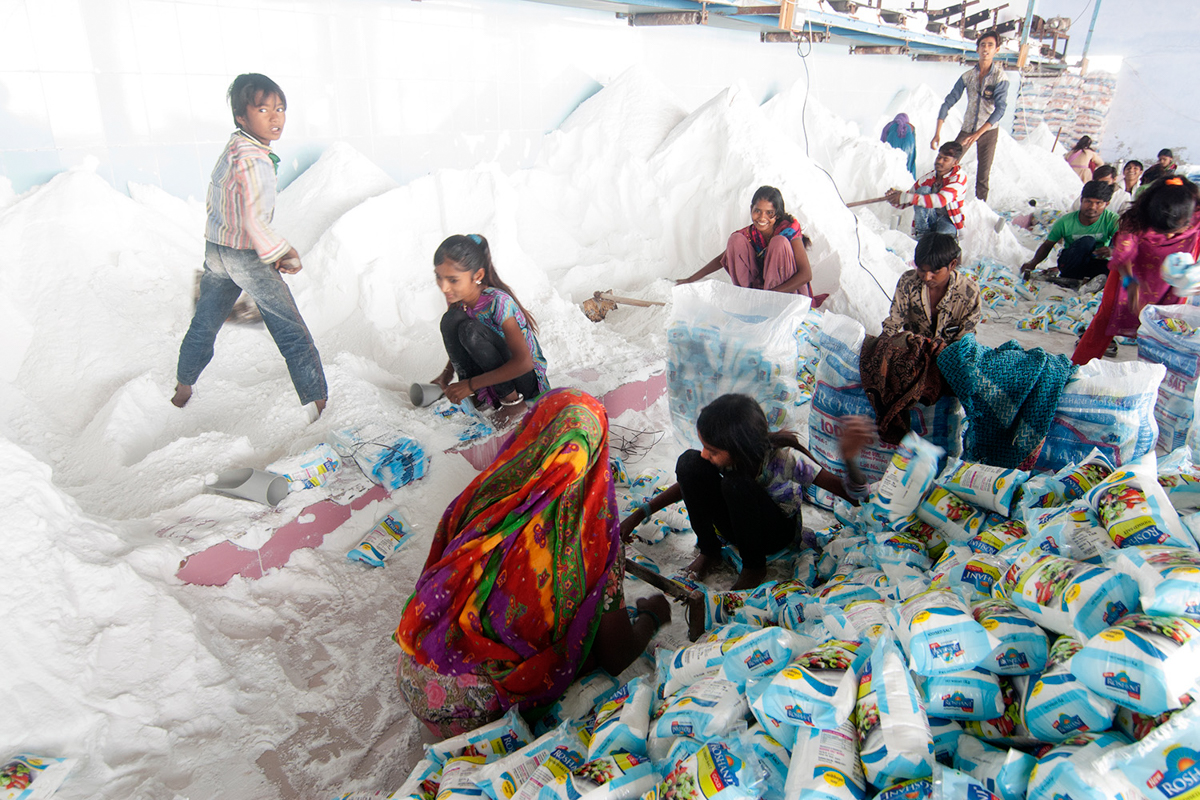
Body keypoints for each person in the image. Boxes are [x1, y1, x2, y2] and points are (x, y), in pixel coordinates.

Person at [393, 389, 671, 737]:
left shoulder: (487, 493)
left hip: (414, 663)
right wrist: (651, 617)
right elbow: (615, 655)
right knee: (583, 651)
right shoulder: (592, 538)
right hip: (474, 713)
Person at [171, 74, 327, 414]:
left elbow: (224, 206)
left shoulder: (234, 147)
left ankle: (182, 389)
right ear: (241, 116)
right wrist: (284, 252)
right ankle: (321, 403)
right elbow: (254, 219)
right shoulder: (255, 161)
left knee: (205, 322)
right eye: (263, 109)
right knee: (291, 330)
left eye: (280, 108)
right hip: (246, 255)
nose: (275, 118)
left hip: (217, 250)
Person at [619, 395, 874, 591]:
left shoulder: (786, 460)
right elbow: (687, 485)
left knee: (735, 484)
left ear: (740, 447)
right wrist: (639, 515)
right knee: (689, 463)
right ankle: (710, 551)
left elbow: (855, 495)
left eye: (712, 449)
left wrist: (850, 458)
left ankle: (754, 567)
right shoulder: (727, 455)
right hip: (739, 524)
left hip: (774, 534)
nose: (706, 453)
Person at [1072, 176, 1200, 365]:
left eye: (1176, 231)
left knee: (1168, 325)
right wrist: (1131, 286)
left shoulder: (1196, 214)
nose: (1170, 236)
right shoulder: (1135, 220)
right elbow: (1123, 257)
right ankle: (1078, 367)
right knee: (1106, 319)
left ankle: (1160, 374)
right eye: (1163, 231)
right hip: (1132, 272)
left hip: (1173, 280)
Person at [431, 234, 548, 419]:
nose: (444, 287)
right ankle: (480, 399)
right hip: (492, 379)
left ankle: (512, 404)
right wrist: (446, 377)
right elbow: (461, 346)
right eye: (439, 277)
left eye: (453, 280)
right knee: (450, 320)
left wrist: (469, 384)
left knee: (470, 330)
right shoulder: (459, 302)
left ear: (477, 276)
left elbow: (524, 363)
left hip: (525, 384)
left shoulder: (498, 302)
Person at [678, 185, 819, 301]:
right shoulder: (752, 234)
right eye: (757, 211)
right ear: (751, 209)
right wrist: (690, 279)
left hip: (786, 296)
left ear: (777, 214)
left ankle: (770, 304)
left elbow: (806, 274)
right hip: (760, 295)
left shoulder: (788, 231)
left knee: (779, 243)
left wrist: (770, 296)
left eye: (769, 213)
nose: (762, 217)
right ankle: (747, 300)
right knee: (735, 240)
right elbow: (722, 258)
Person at [931, 30, 1009, 202]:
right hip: (967, 129)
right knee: (947, 164)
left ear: (997, 50)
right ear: (977, 48)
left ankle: (980, 209)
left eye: (990, 45)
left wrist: (978, 134)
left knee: (983, 174)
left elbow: (1000, 109)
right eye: (982, 45)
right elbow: (948, 101)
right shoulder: (968, 76)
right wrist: (937, 132)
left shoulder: (1000, 77)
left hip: (988, 131)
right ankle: (938, 201)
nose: (986, 49)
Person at [882, 232, 981, 343]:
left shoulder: (969, 293)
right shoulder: (908, 282)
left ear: (952, 264)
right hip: (914, 350)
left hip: (950, 354)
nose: (927, 277)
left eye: (935, 272)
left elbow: (965, 339)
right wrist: (880, 345)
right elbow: (894, 321)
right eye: (922, 270)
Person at [1022, 181, 1119, 284]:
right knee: (1087, 241)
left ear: (1106, 204)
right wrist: (1032, 264)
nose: (1092, 207)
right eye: (1088, 202)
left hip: (1093, 263)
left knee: (1113, 268)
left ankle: (1089, 281)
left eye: (1098, 203)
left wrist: (1113, 250)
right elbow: (1047, 245)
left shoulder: (1112, 220)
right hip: (1070, 263)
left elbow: (1126, 245)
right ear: (1081, 200)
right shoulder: (1065, 222)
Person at [887, 142, 968, 238]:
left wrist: (906, 197)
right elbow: (908, 200)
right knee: (923, 190)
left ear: (955, 163)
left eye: (945, 159)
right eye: (939, 157)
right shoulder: (927, 179)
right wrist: (894, 198)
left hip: (948, 221)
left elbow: (940, 200)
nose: (940, 161)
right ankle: (922, 235)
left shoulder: (959, 178)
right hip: (929, 220)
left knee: (942, 240)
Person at [881, 113, 918, 178]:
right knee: (907, 166)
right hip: (908, 146)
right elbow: (914, 148)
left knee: (891, 166)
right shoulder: (911, 127)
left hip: (892, 144)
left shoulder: (890, 125)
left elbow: (882, 143)